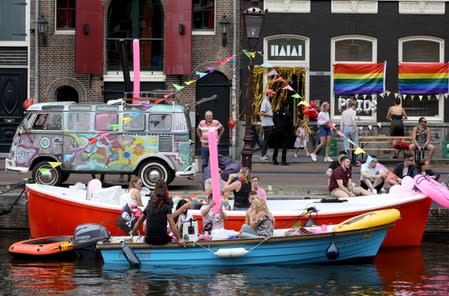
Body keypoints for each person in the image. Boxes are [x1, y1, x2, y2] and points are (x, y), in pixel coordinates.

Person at [272, 101, 293, 166]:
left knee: (276, 145)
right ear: (287, 106)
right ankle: (283, 161)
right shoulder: (288, 113)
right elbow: (290, 123)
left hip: (277, 130)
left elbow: (274, 119)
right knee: (284, 146)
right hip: (285, 131)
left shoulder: (276, 111)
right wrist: (290, 131)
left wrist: (276, 126)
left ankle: (274, 159)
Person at [259, 89, 275, 161]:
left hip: (269, 124)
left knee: (268, 140)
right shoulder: (264, 102)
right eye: (272, 94)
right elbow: (262, 113)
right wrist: (271, 115)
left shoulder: (267, 102)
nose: (272, 95)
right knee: (266, 140)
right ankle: (262, 155)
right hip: (266, 124)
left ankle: (264, 154)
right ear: (268, 94)